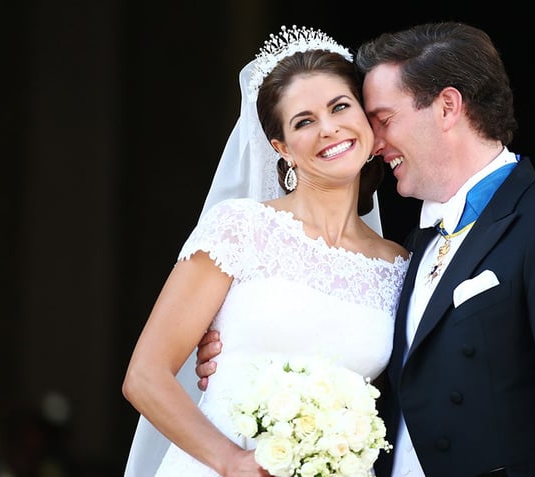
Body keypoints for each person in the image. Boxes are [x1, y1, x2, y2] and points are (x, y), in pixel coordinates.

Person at [197, 21, 535, 476]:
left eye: (383, 120)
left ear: (446, 107)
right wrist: (241, 353)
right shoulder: (410, 250)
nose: (375, 143)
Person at [121, 25, 409, 477]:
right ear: (282, 148)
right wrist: (232, 462)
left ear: (367, 120)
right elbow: (145, 376)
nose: (329, 128)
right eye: (304, 121)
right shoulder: (242, 228)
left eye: (340, 107)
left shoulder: (399, 265)